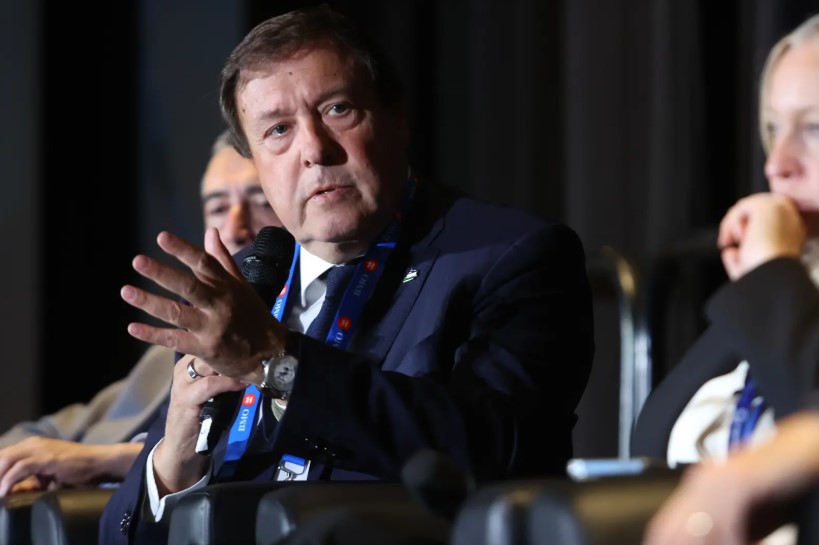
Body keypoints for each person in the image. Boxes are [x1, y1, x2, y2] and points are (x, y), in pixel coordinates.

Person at [99, 5, 594, 544]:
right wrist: (173, 457)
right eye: (279, 130)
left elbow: (497, 448)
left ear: (397, 119)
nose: (314, 150)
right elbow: (120, 533)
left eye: (338, 109)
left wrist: (276, 363)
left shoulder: (510, 257)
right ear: (256, 164)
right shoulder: (241, 287)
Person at [634, 2, 819, 544]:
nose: (777, 164)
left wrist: (771, 278)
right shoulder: (799, 285)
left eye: (816, 130)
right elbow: (653, 446)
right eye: (774, 128)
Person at [0, 130, 281, 497]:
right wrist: (22, 464)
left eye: (261, 202)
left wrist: (105, 460)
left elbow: (249, 458)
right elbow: (45, 434)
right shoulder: (169, 353)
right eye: (217, 209)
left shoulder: (298, 352)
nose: (234, 228)